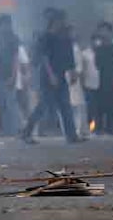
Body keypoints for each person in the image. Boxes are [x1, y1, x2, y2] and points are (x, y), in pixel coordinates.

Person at [23, 12, 82, 144]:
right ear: (54, 21)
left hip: (61, 75)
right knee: (43, 105)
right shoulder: (46, 37)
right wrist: (51, 75)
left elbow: (69, 57)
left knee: (65, 106)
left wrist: (72, 72)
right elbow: (44, 58)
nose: (63, 23)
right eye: (61, 20)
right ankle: (26, 132)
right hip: (48, 76)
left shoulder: (65, 38)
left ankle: (71, 136)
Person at [0, 14, 23, 136]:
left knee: (10, 103)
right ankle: (7, 129)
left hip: (8, 75)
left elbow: (15, 58)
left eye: (4, 25)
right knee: (3, 104)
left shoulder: (13, 39)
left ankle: (15, 129)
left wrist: (13, 76)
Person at [92, 23, 113, 135]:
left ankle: (111, 128)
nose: (103, 33)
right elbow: (96, 63)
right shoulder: (97, 47)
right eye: (101, 30)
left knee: (111, 103)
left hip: (111, 77)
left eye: (105, 31)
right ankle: (98, 128)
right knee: (98, 104)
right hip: (99, 78)